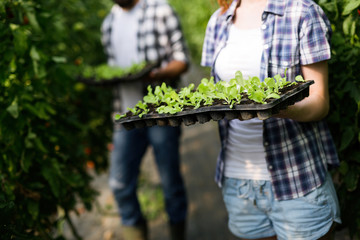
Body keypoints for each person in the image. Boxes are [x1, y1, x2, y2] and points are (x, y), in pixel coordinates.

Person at [201, 0, 341, 239]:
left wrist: (278, 108)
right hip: (239, 182)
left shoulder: (303, 11)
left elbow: (320, 101)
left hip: (297, 180)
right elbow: (212, 93)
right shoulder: (219, 20)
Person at [101, 0, 189, 239]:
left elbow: (182, 60)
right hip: (125, 115)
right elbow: (111, 69)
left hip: (160, 114)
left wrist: (157, 75)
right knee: (120, 184)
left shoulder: (160, 10)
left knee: (170, 182)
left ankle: (177, 232)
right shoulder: (109, 22)